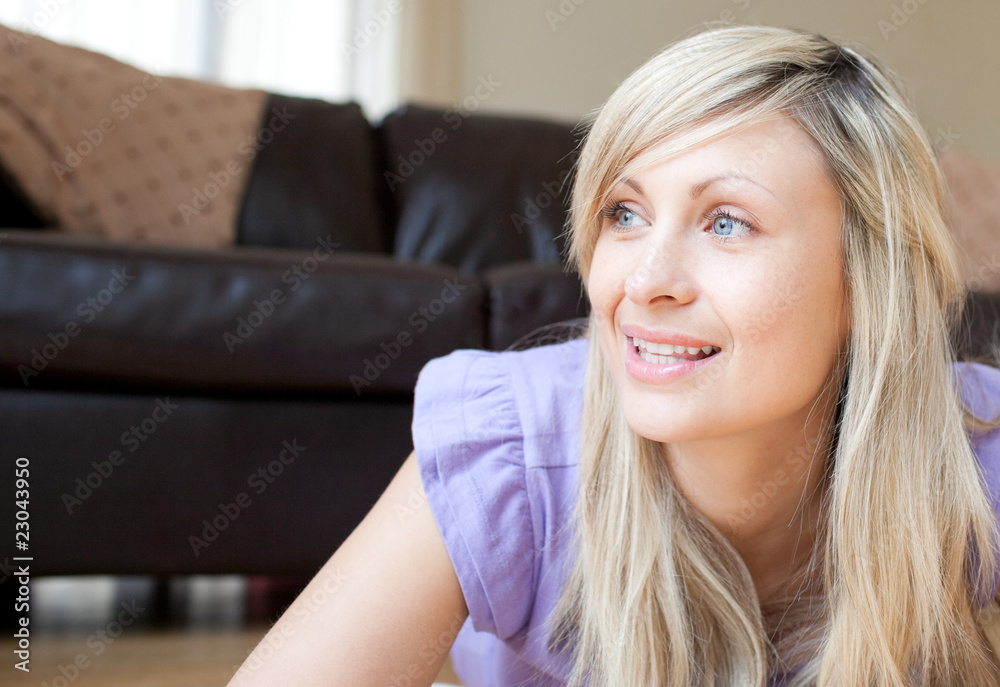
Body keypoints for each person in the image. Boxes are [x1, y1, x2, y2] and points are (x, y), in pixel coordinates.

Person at [227, 25, 1000, 687]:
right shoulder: (512, 452)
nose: (642, 280)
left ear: (871, 284)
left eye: (726, 222)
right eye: (624, 213)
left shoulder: (976, 455)